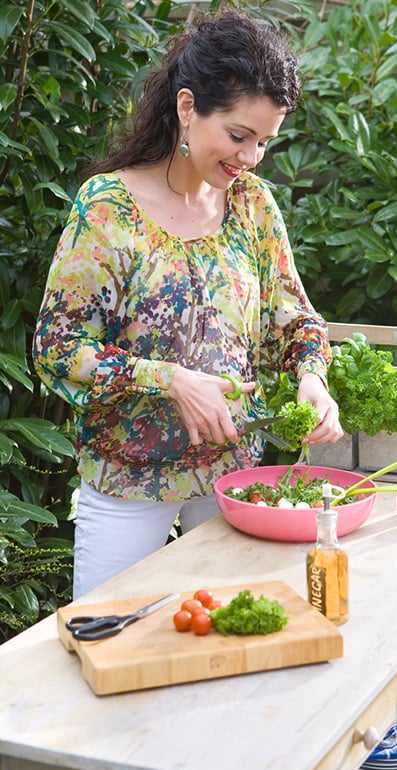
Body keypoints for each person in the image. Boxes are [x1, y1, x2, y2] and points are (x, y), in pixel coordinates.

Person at [33, 8, 343, 599]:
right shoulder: (107, 208)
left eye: (264, 143)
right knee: (107, 647)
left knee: (233, 656)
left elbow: (295, 317)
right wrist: (169, 379)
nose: (250, 158)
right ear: (186, 108)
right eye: (238, 136)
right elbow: (55, 350)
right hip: (127, 478)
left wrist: (311, 376)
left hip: (234, 480)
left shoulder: (253, 205)